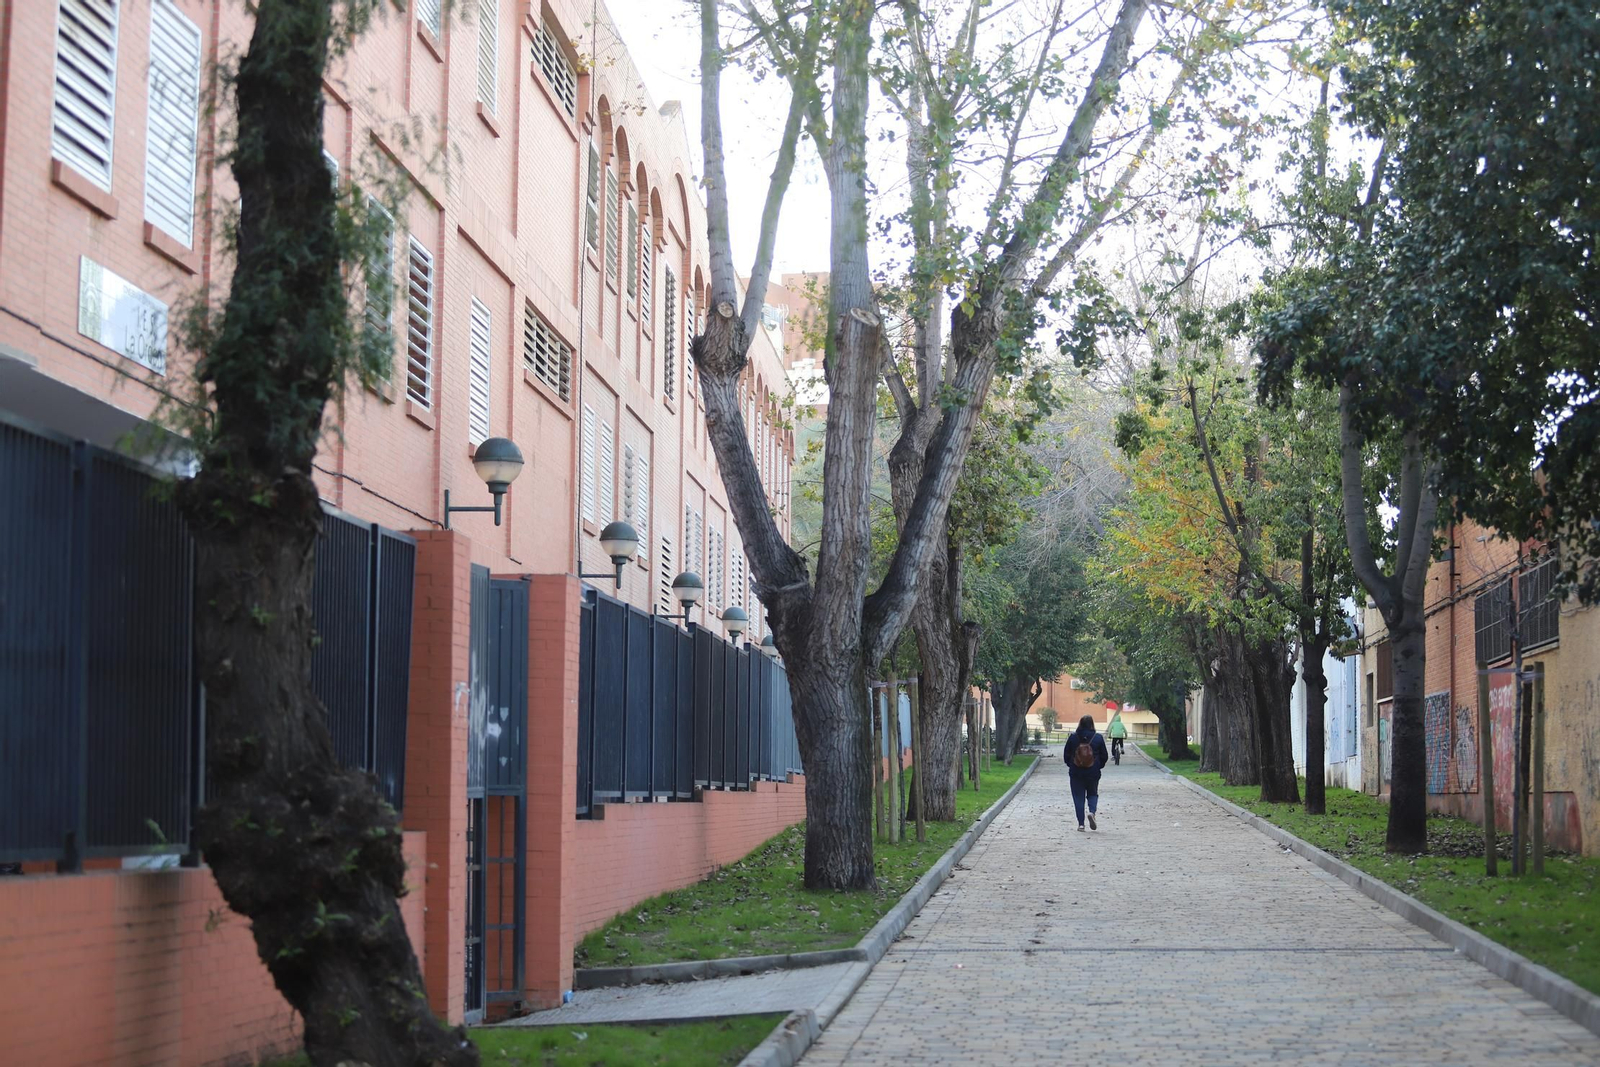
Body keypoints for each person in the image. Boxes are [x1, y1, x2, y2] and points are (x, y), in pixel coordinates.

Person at [1065, 714, 1109, 831]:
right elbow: (1104, 756)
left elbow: (1066, 756)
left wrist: (1072, 765)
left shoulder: (1073, 737)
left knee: (1078, 797)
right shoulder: (1098, 738)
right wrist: (1099, 766)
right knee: (1093, 793)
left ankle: (1081, 824)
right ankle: (1092, 812)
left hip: (1076, 773)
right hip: (1093, 772)